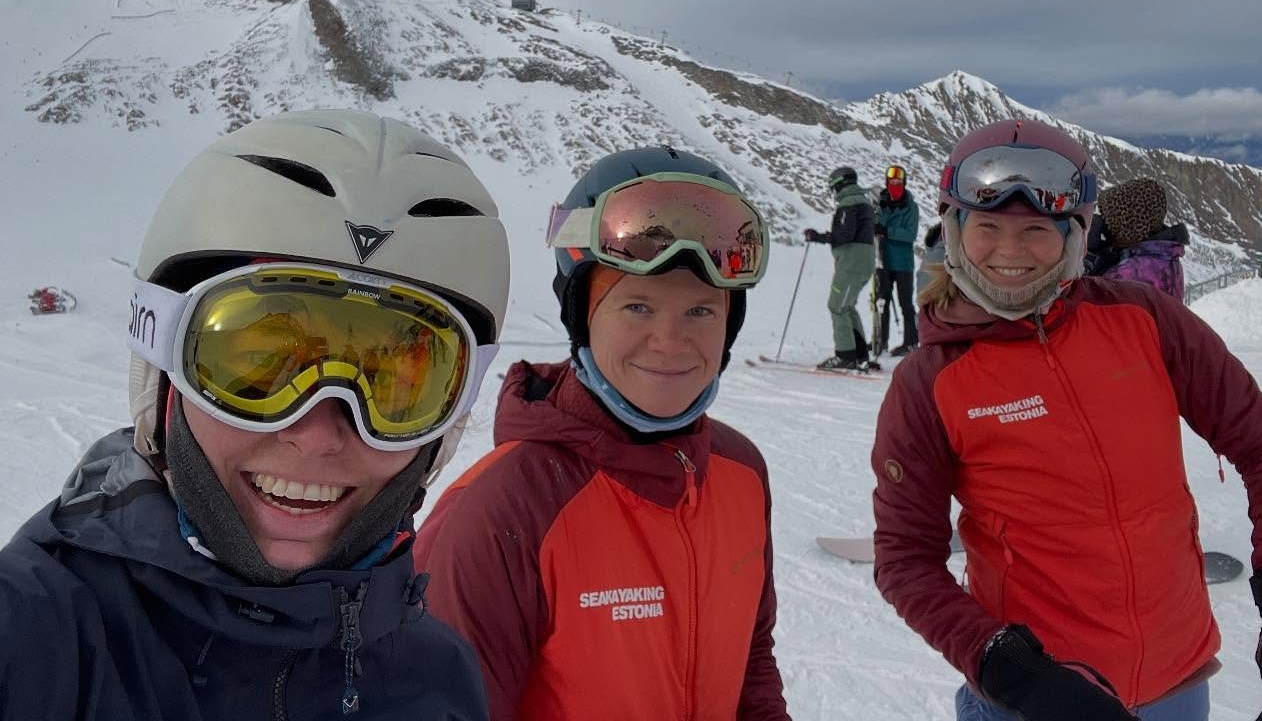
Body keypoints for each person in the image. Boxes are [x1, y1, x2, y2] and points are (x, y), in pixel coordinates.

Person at [0, 109, 509, 719]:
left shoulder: (439, 680)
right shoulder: (32, 636)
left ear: (446, 423)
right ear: (164, 373)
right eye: (259, 362)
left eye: (398, 380)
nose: (316, 434)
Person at [870, 118, 1262, 721]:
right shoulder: (930, 381)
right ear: (954, 232)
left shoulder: (1144, 320)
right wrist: (1010, 669)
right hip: (1040, 699)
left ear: (1075, 236)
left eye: (1036, 229)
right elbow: (906, 558)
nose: (1010, 251)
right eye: (987, 228)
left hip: (1177, 679)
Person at [415, 147, 789, 721]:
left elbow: (752, 662)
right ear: (581, 316)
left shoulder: (740, 471)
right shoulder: (501, 511)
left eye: (701, 311)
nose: (670, 341)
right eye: (638, 306)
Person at [804, 165, 877, 370]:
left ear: (839, 185)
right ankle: (859, 355)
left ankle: (845, 356)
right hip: (861, 261)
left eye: (833, 188)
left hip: (852, 263)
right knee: (847, 306)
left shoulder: (849, 203)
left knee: (836, 306)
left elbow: (845, 234)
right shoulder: (862, 202)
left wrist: (818, 237)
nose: (833, 192)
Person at [1087, 177, 1189, 302]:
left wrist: (1089, 258)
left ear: (1128, 227)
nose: (1106, 227)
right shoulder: (1164, 257)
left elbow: (1086, 303)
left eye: (1110, 223)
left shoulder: (1129, 274)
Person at [873, 163, 921, 357]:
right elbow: (876, 226)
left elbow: (910, 234)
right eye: (891, 183)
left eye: (898, 183)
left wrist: (887, 231)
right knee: (881, 302)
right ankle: (880, 341)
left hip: (903, 263)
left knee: (905, 304)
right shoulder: (880, 204)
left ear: (904, 184)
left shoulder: (911, 207)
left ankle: (910, 342)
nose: (895, 186)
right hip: (883, 261)